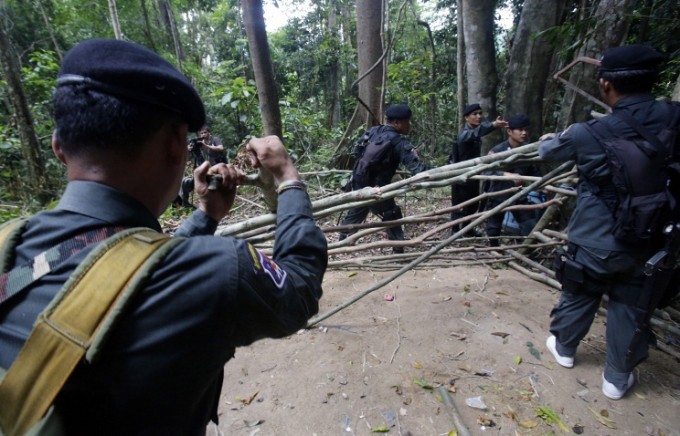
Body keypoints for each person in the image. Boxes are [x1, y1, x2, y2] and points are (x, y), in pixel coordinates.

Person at [0, 38, 327, 434]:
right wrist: (289, 179)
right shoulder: (220, 269)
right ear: (176, 146)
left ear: (59, 148)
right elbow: (300, 289)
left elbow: (113, 263)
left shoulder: (9, 241)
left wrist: (206, 215)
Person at [538, 44, 671, 400]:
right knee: (631, 303)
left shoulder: (588, 133)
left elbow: (546, 153)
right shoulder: (674, 118)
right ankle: (617, 377)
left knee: (580, 290)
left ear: (606, 85)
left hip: (595, 238)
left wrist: (554, 138)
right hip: (651, 237)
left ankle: (564, 348)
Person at [338, 105, 431, 253]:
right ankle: (398, 248)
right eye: (406, 121)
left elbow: (357, 151)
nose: (409, 125)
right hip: (379, 188)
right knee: (391, 213)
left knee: (357, 210)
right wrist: (437, 171)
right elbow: (417, 169)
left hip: (359, 180)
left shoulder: (373, 131)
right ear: (396, 123)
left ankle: (341, 244)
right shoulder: (399, 142)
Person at [483, 114, 542, 246]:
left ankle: (527, 250)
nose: (524, 133)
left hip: (519, 195)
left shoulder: (528, 151)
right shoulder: (498, 150)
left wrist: (542, 185)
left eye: (525, 130)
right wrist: (505, 174)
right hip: (499, 194)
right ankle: (493, 249)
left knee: (529, 225)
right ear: (509, 131)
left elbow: (535, 171)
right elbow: (486, 170)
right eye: (520, 130)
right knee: (493, 229)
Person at [450, 103, 507, 235]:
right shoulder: (465, 134)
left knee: (473, 202)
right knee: (459, 203)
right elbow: (477, 132)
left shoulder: (474, 133)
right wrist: (493, 125)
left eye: (480, 113)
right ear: (466, 118)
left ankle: (467, 229)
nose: (479, 116)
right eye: (474, 114)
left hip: (473, 173)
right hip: (461, 174)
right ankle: (454, 231)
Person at [178, 124, 227, 207]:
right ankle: (185, 204)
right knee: (185, 182)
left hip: (219, 168)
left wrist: (206, 145)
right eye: (201, 133)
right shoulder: (200, 143)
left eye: (205, 133)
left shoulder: (215, 139)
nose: (203, 135)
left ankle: (216, 202)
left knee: (214, 183)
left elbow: (221, 148)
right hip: (208, 169)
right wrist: (189, 148)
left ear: (209, 133)